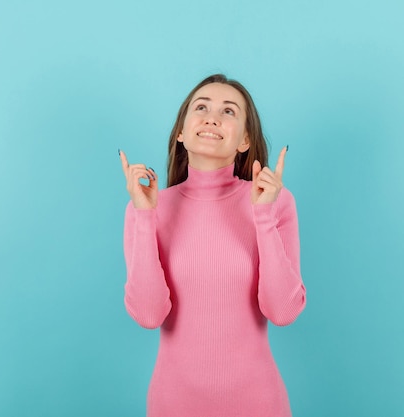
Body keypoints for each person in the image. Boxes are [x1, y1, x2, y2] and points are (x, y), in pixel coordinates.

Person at [119, 74, 306, 416]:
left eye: (229, 111)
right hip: (173, 403)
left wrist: (262, 216)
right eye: (201, 107)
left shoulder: (275, 202)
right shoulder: (145, 209)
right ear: (181, 131)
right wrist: (146, 217)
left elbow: (283, 311)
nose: (212, 117)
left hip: (258, 403)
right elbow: (148, 315)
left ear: (245, 140)